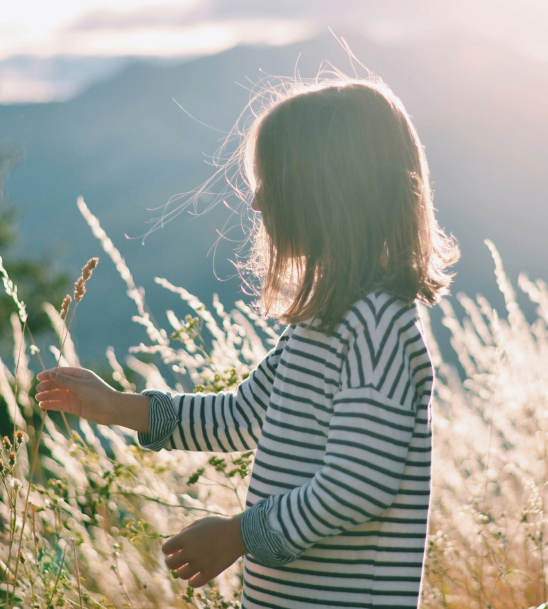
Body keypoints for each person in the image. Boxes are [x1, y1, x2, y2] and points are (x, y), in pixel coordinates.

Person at [34, 76, 458, 608]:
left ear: (330, 192)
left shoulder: (378, 326)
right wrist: (119, 407)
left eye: (273, 181)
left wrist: (237, 534)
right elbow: (243, 414)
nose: (257, 201)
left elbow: (357, 485)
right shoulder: (322, 322)